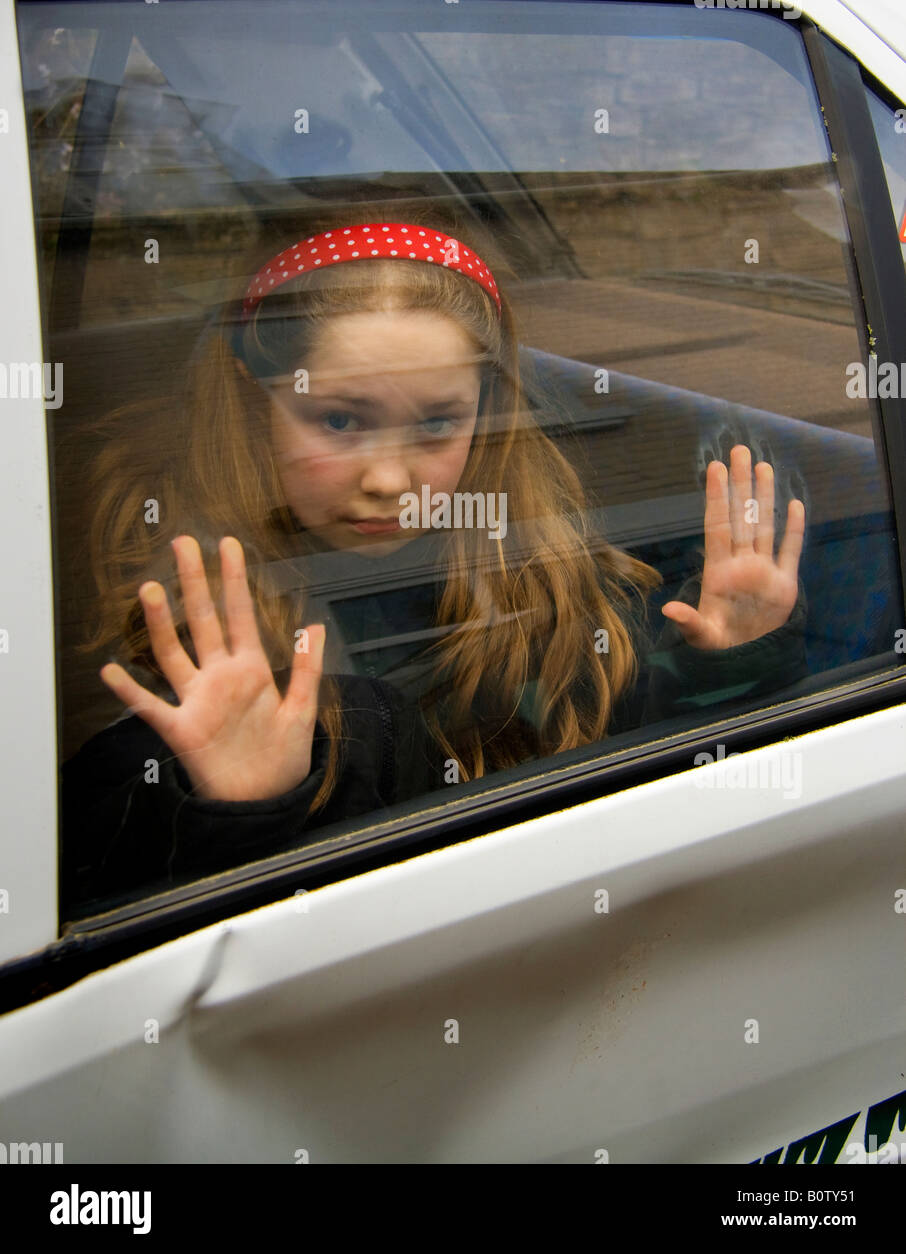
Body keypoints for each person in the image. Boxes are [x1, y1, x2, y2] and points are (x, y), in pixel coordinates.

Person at [61, 207, 807, 912]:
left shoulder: (540, 571)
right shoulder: (175, 611)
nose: (388, 481)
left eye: (438, 422)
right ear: (257, 405)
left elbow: (618, 772)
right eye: (340, 419)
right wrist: (247, 810)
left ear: (487, 413)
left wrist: (728, 669)